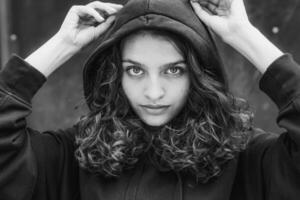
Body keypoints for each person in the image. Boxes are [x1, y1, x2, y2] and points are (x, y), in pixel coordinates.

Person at [0, 0, 299, 199]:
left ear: (198, 73)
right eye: (135, 70)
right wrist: (61, 45)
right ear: (114, 75)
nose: (153, 92)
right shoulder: (75, 156)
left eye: (173, 70)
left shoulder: (244, 156)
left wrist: (243, 35)